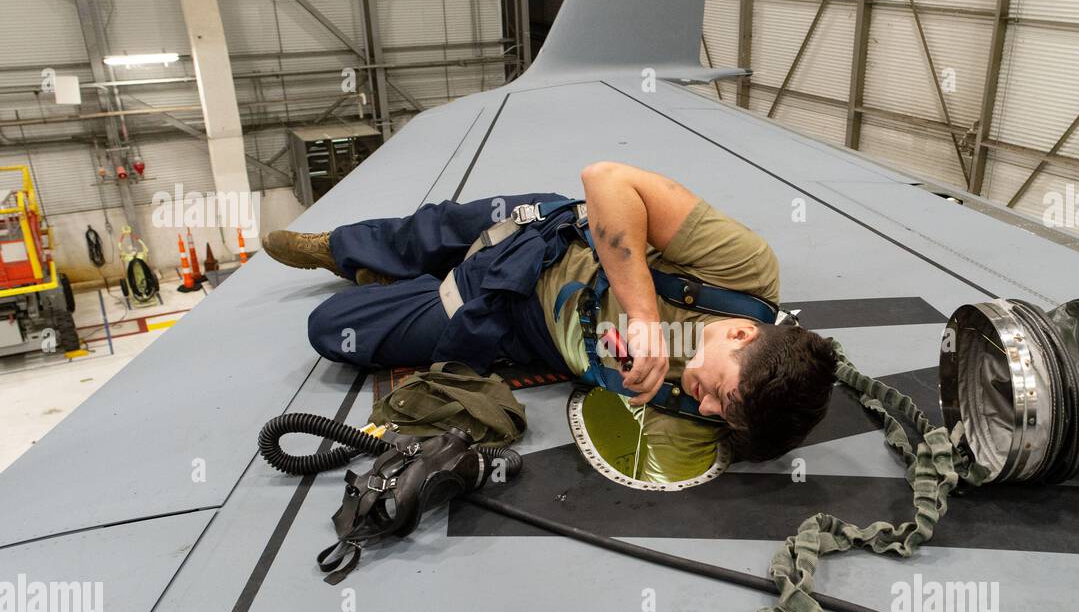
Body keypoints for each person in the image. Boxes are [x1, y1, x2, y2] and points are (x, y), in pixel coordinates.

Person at [263, 161, 837, 479]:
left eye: (721, 417)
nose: (706, 409)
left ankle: (388, 283)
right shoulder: (744, 269)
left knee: (334, 327)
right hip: (546, 237)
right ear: (742, 334)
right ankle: (339, 248)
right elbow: (607, 179)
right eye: (720, 396)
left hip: (518, 317)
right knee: (431, 230)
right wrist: (640, 314)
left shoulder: (726, 403)